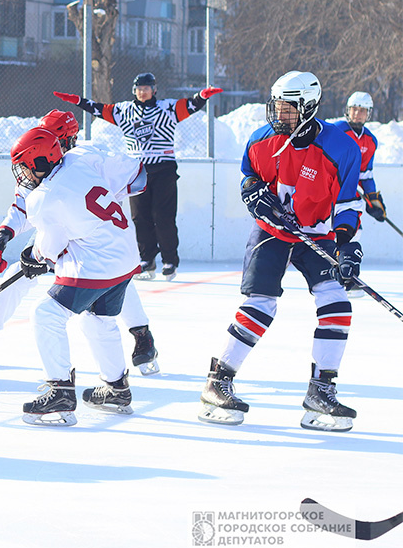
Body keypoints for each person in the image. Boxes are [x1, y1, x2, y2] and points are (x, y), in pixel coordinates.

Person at [197, 71, 363, 432]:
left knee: (337, 302)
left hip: (317, 234)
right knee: (261, 305)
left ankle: (321, 389)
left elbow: (349, 202)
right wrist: (254, 195)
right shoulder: (261, 141)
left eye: (288, 108)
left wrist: (347, 245)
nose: (278, 115)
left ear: (309, 107)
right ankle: (218, 381)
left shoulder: (342, 148)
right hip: (273, 232)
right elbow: (249, 179)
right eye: (276, 106)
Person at [0, 110, 159, 375]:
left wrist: (102, 200)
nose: (59, 145)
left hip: (90, 232)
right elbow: (23, 205)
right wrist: (4, 235)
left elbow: (135, 176)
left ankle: (141, 333)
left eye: (61, 139)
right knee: (21, 272)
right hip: (61, 225)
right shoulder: (39, 163)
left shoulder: (85, 157)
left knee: (110, 279)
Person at [8, 127, 148, 426]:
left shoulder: (42, 197)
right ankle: (117, 389)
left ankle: (59, 391)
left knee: (46, 314)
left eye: (24, 167)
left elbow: (51, 245)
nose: (21, 175)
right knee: (98, 319)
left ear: (40, 162)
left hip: (97, 263)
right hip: (125, 253)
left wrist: (34, 256)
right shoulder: (79, 159)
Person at [54, 73, 223, 280]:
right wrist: (78, 101)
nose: (142, 92)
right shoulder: (124, 111)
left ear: (154, 90)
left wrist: (202, 96)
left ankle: (170, 260)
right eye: (139, 89)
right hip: (136, 171)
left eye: (147, 88)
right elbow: (99, 109)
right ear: (134, 91)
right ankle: (147, 259)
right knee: (139, 217)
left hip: (163, 168)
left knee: (163, 216)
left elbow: (189, 106)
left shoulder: (166, 108)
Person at [333, 91, 386, 224]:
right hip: (328, 193)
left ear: (368, 113)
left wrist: (372, 198)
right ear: (347, 110)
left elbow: (365, 174)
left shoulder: (370, 141)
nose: (357, 114)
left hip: (349, 197)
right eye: (354, 109)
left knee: (353, 233)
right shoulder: (335, 131)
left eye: (362, 110)